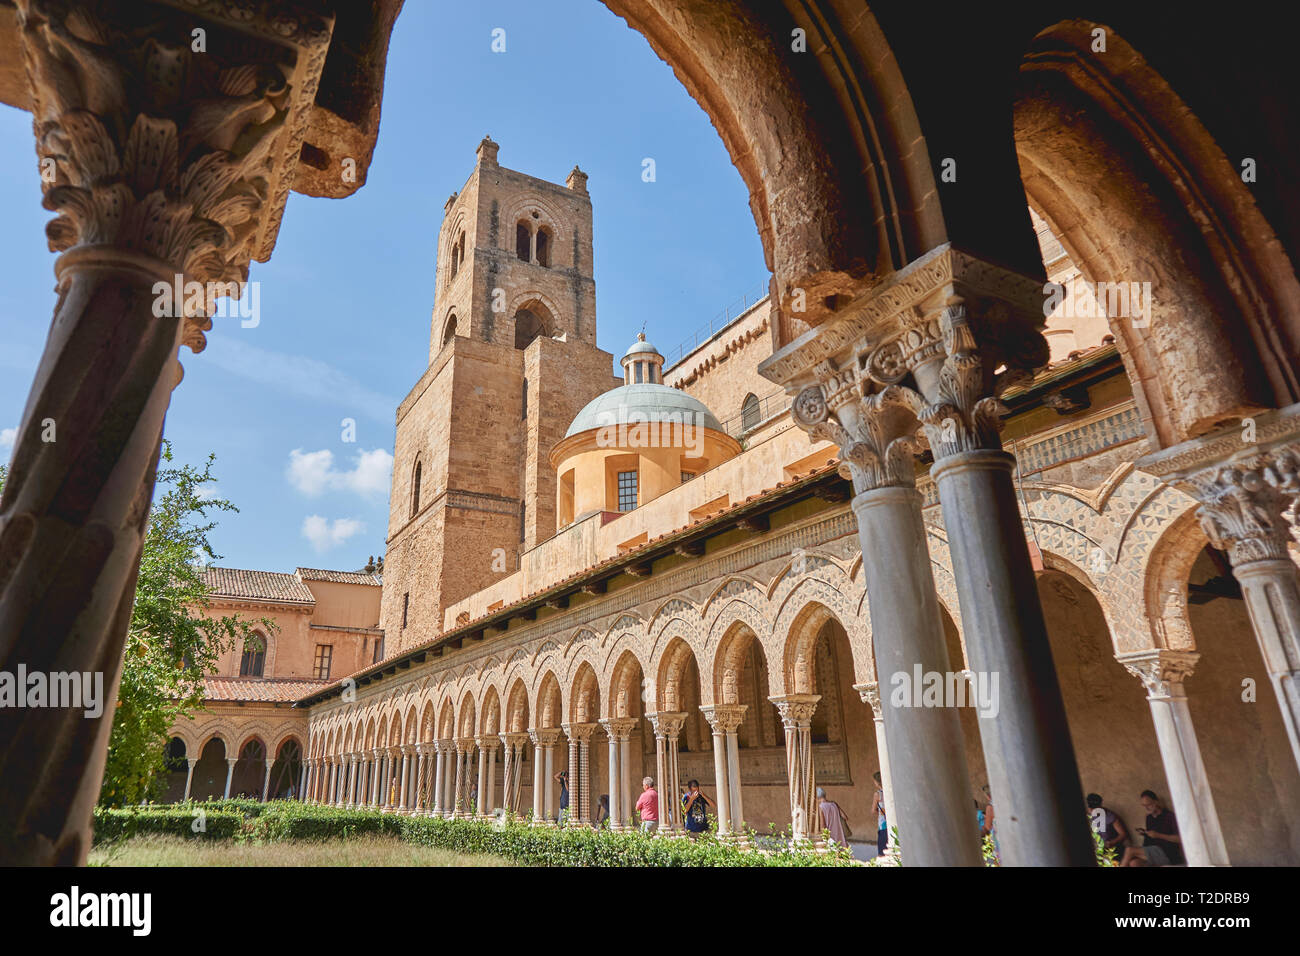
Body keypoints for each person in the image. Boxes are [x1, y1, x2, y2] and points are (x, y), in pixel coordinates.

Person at [1121, 790, 1182, 866]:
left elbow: (1179, 838)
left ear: (1156, 802)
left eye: (1149, 805)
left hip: (1167, 852)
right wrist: (1145, 834)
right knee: (1134, 863)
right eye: (1144, 806)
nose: (1146, 808)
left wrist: (1158, 835)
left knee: (1129, 850)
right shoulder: (1149, 818)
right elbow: (1149, 839)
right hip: (1153, 851)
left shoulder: (1169, 816)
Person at [870, 772, 888, 855]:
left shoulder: (877, 794)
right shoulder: (890, 790)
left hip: (883, 823)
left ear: (877, 782)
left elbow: (873, 810)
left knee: (882, 851)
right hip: (892, 823)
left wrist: (880, 812)